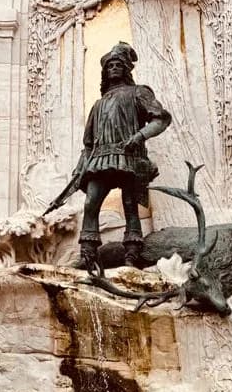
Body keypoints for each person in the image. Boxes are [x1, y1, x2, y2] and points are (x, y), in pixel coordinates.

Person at [50, 43, 172, 273]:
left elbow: (161, 119)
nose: (114, 68)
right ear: (105, 72)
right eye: (110, 66)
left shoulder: (138, 93)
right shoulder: (98, 104)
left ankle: (132, 254)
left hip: (128, 156)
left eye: (118, 65)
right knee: (91, 202)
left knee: (130, 205)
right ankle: (88, 252)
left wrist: (139, 136)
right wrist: (79, 172)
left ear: (126, 69)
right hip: (100, 159)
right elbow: (88, 144)